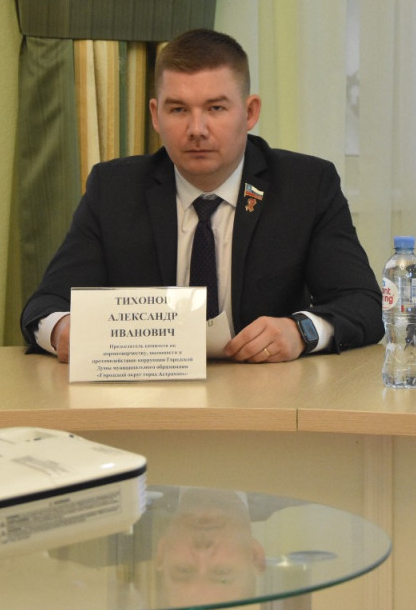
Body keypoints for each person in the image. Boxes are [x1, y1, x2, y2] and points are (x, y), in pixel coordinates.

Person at [20, 28, 383, 364]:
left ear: (250, 112)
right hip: (148, 394)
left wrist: (301, 331)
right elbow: (45, 305)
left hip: (266, 391)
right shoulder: (114, 190)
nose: (197, 129)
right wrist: (62, 330)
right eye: (178, 109)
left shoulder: (305, 186)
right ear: (156, 115)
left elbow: (363, 304)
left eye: (215, 108)